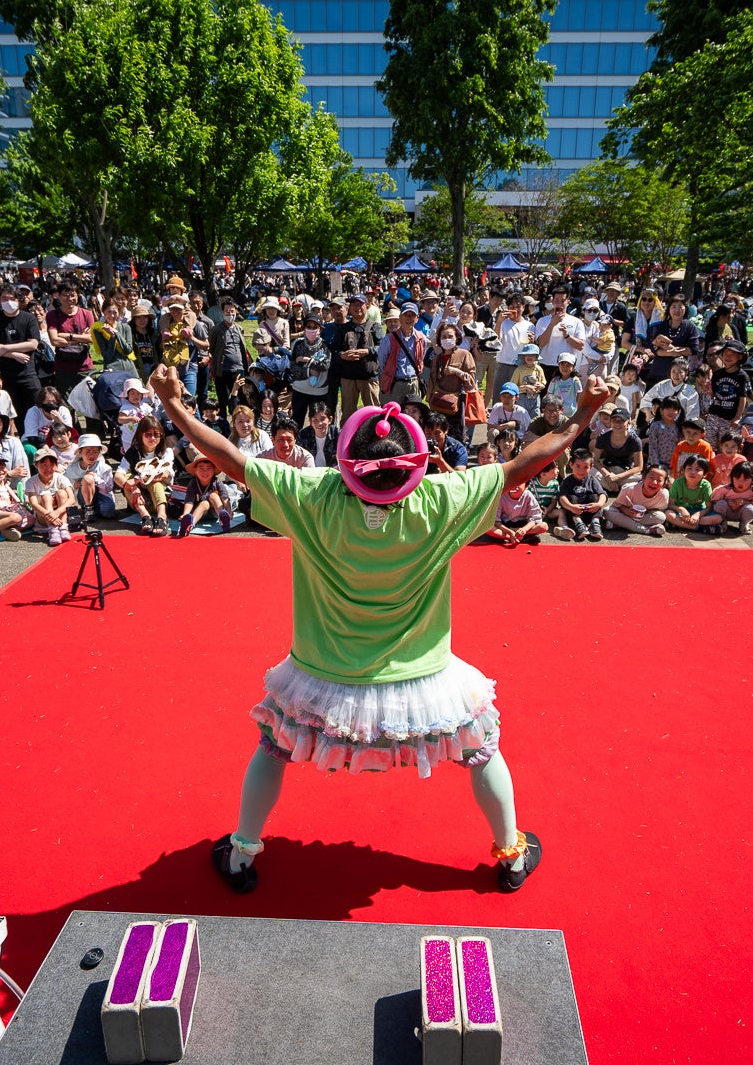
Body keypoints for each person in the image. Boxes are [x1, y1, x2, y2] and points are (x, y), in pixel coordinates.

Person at [148, 360, 610, 895]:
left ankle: (241, 854)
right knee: (482, 748)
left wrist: (174, 404)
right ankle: (510, 855)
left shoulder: (313, 494)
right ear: (412, 468)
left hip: (322, 672)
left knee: (273, 746)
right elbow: (522, 466)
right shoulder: (442, 499)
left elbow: (228, 459)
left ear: (347, 461)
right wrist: (584, 413)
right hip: (424, 678)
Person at [0, 283, 44, 419]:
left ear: (18, 299)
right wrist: (14, 355)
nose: (8, 302)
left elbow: (33, 344)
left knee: (36, 411)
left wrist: (5, 348)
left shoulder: (29, 318)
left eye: (12, 298)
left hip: (28, 374)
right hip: (6, 375)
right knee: (16, 414)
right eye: (4, 298)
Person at [118, 415, 175, 535]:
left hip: (160, 499)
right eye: (148, 434)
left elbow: (165, 473)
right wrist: (132, 487)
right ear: (141, 435)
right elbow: (118, 475)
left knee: (155, 480)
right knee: (127, 477)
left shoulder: (166, 452)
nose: (152, 438)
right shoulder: (133, 452)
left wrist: (140, 479)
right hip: (138, 501)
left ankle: (162, 517)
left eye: (156, 434)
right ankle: (145, 517)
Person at [24, 447, 75, 546]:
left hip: (61, 515)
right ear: (35, 465)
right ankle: (53, 530)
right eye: (43, 465)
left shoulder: (61, 478)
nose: (48, 469)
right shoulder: (31, 482)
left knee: (62, 493)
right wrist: (50, 515)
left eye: (51, 465)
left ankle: (63, 527)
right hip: (43, 516)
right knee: (46, 496)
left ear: (56, 465)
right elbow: (33, 503)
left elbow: (71, 499)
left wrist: (57, 512)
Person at [173, 454, 233, 537]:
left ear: (213, 471)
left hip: (215, 510)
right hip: (200, 512)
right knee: (205, 503)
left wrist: (229, 510)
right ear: (195, 471)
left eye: (208, 469)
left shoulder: (216, 481)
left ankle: (223, 517)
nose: (205, 472)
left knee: (213, 496)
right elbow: (189, 501)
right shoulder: (193, 483)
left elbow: (224, 496)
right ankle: (189, 525)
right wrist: (185, 514)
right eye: (201, 469)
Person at [553, 448, 606, 541]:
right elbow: (562, 497)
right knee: (571, 497)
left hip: (591, 511)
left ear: (591, 467)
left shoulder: (592, 479)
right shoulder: (567, 482)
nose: (581, 471)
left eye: (586, 467)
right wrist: (571, 507)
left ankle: (595, 524)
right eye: (578, 466)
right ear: (571, 464)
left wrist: (599, 504)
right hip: (574, 512)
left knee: (594, 496)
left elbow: (602, 494)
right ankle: (579, 524)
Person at [605, 463, 671, 536]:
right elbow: (617, 505)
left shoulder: (664, 494)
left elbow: (660, 510)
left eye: (659, 480)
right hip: (624, 514)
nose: (654, 482)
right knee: (607, 511)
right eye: (651, 478)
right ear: (643, 477)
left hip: (643, 517)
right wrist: (625, 510)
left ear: (664, 483)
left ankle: (620, 524)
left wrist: (646, 512)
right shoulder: (629, 488)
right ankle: (646, 530)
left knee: (661, 517)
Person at [702, 460, 753, 535]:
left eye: (745, 479)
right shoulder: (725, 489)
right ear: (732, 477)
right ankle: (722, 522)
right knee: (721, 504)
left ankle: (744, 524)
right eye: (737, 478)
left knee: (750, 509)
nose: (740, 482)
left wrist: (745, 502)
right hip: (726, 512)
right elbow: (713, 501)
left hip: (741, 513)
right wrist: (726, 501)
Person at [66, 433, 116, 522]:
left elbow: (109, 488)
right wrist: (75, 485)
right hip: (83, 498)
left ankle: (94, 509)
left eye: (95, 451)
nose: (91, 454)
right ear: (80, 452)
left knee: (108, 513)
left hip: (102, 495)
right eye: (87, 451)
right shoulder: (72, 469)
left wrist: (96, 479)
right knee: (87, 479)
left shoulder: (105, 468)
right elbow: (64, 485)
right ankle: (89, 508)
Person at [487, 477, 548, 546]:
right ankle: (511, 537)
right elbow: (496, 521)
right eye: (512, 483)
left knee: (544, 526)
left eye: (519, 484)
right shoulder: (502, 495)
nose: (514, 486)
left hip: (522, 525)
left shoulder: (528, 496)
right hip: (504, 525)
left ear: (526, 486)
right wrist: (509, 532)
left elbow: (534, 518)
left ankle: (519, 536)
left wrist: (524, 530)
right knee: (487, 527)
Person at [664, 455, 714, 533]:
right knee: (668, 514)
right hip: (681, 513)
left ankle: (679, 524)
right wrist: (681, 509)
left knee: (718, 518)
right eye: (689, 468)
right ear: (683, 470)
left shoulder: (706, 485)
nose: (692, 472)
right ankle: (697, 527)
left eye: (697, 470)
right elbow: (670, 504)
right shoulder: (677, 483)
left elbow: (709, 507)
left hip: (698, 511)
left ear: (705, 474)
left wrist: (697, 515)